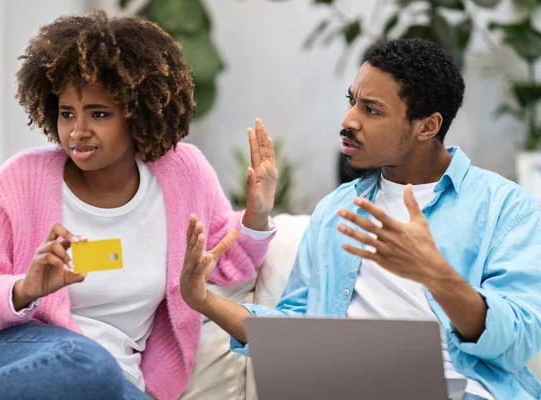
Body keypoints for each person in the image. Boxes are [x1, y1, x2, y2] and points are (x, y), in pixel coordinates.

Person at [0, 10, 278, 400]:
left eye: (99, 114)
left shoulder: (183, 173)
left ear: (139, 115)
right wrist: (24, 288)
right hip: (4, 356)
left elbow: (226, 257)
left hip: (114, 382)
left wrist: (256, 213)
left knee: (102, 375)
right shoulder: (20, 179)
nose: (77, 131)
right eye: (67, 113)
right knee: (90, 362)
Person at [180, 38, 541, 400]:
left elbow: (517, 341)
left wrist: (436, 274)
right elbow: (298, 333)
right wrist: (204, 301)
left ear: (427, 127)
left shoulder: (506, 208)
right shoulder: (337, 208)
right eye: (352, 101)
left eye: (371, 110)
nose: (348, 120)